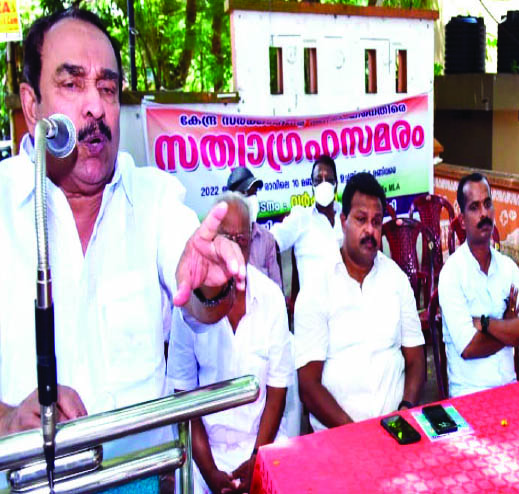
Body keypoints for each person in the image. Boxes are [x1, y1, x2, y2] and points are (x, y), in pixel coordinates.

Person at [0, 8, 245, 439]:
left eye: (107, 89)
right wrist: (7, 421)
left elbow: (204, 302)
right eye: (72, 84)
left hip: (141, 469)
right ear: (32, 105)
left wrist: (211, 284)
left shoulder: (154, 197)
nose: (95, 106)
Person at [167, 194, 294, 494]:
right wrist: (211, 473)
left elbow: (277, 391)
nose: (235, 247)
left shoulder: (271, 297)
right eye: (227, 237)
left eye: (242, 239)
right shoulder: (190, 303)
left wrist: (257, 460)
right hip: (205, 455)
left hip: (261, 445)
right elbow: (183, 399)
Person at [293, 172, 425, 431]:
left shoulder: (396, 279)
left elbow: (416, 358)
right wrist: (356, 433)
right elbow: (308, 386)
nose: (370, 230)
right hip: (338, 436)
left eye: (376, 221)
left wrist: (406, 409)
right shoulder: (316, 286)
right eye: (361, 219)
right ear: (343, 221)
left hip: (395, 429)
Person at [438, 173, 519, 397]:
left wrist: (485, 323)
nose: (484, 213)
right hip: (468, 394)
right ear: (462, 220)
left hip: (510, 388)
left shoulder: (508, 268)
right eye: (474, 207)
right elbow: (469, 347)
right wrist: (507, 328)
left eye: (487, 204)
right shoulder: (452, 273)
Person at [271, 155, 343, 290]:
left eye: (329, 180)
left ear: (336, 185)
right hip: (312, 301)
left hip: (345, 299)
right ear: (312, 187)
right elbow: (270, 242)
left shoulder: (347, 216)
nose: (324, 185)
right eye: (318, 181)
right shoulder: (301, 217)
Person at [226, 167, 283, 290]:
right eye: (246, 193)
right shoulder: (222, 240)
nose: (252, 199)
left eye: (254, 193)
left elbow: (276, 286)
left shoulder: (266, 239)